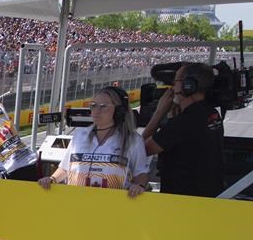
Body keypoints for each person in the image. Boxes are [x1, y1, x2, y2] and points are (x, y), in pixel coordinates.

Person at [38, 86, 148, 198]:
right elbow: (65, 168)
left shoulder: (133, 140)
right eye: (93, 106)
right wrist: (52, 179)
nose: (96, 111)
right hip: (76, 203)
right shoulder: (80, 135)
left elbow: (141, 173)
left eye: (104, 106)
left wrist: (139, 185)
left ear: (119, 111)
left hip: (114, 206)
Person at [142, 63, 224, 198]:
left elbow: (142, 149)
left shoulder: (185, 121)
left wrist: (159, 112)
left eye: (176, 81)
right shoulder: (211, 112)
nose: (172, 86)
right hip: (208, 194)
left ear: (188, 85)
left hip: (182, 199)